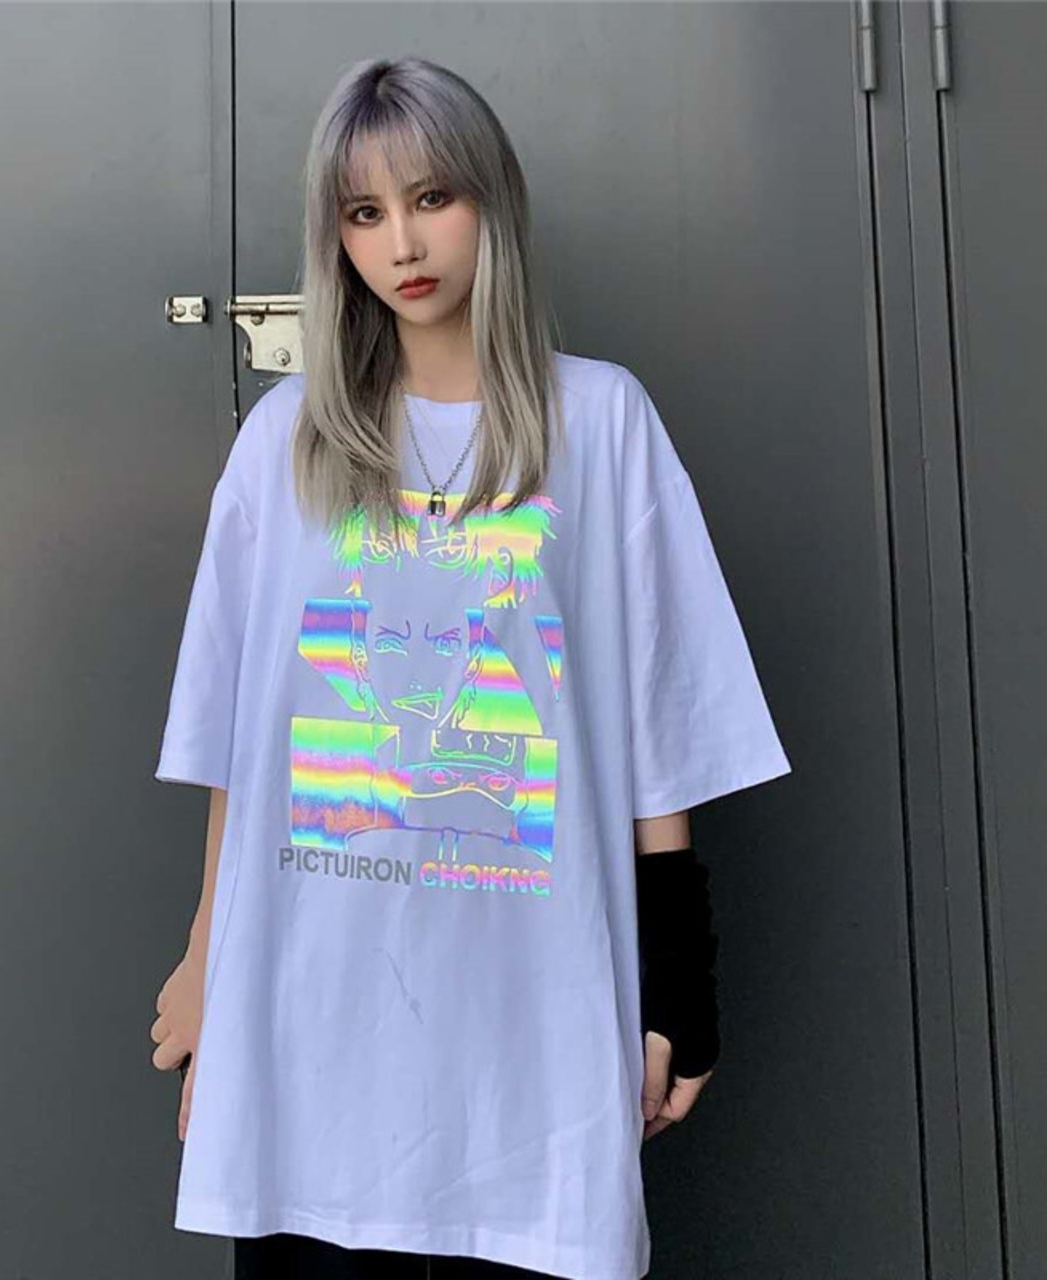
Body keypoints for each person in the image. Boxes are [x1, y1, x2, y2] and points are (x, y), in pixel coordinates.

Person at [148, 56, 791, 1280]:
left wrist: (679, 981)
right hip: (313, 1015)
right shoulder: (284, 441)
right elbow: (245, 730)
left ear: (491, 200)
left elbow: (658, 720)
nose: (402, 242)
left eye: (431, 197)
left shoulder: (599, 422)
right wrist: (204, 949)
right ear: (335, 239)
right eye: (364, 212)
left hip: (526, 1026)